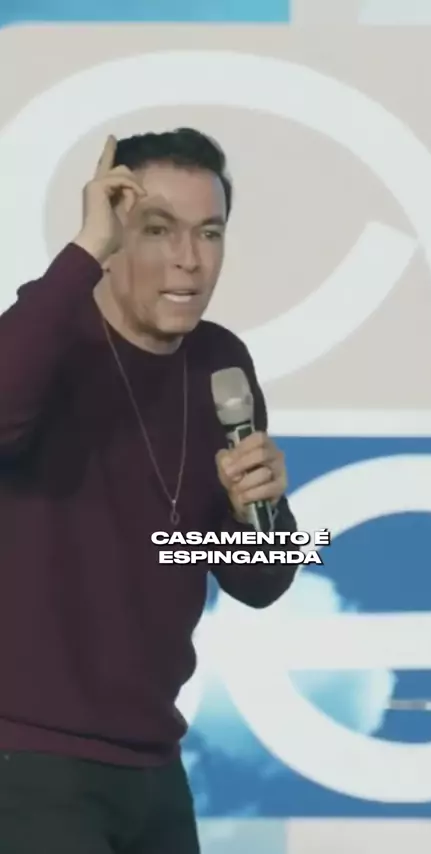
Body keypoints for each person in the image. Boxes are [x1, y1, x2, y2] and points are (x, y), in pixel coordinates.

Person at [0, 128, 299, 853]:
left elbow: (262, 581)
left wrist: (261, 513)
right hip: (30, 761)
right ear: (112, 236)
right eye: (158, 230)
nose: (189, 259)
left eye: (210, 233)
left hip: (154, 763)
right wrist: (83, 250)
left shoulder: (222, 362)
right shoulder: (50, 338)